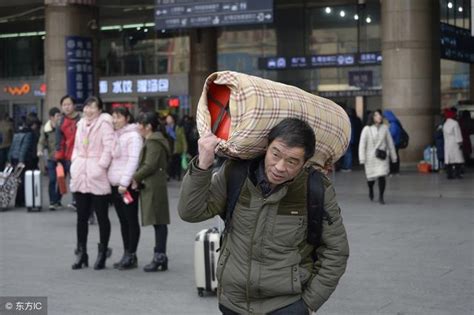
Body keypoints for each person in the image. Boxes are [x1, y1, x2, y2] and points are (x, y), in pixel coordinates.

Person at [178, 118, 349, 314]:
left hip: (285, 305)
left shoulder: (315, 188)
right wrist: (203, 164)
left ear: (304, 163)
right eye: (275, 155)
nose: (279, 167)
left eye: (292, 161)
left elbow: (336, 250)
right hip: (232, 302)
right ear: (266, 147)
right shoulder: (236, 174)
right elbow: (190, 211)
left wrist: (309, 304)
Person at [70, 96, 114, 270]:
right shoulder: (80, 124)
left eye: (93, 107)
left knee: (102, 217)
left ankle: (102, 253)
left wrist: (100, 166)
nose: (88, 110)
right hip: (81, 173)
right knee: (81, 217)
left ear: (100, 110)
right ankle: (82, 253)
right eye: (87, 107)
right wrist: (75, 162)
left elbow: (109, 147)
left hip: (97, 175)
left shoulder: (104, 124)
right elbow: (76, 147)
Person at [132, 112, 171, 272]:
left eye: (140, 123)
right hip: (154, 184)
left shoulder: (154, 142)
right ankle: (160, 256)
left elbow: (150, 165)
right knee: (159, 222)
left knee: (159, 222)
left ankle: (160, 256)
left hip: (154, 186)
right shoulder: (153, 139)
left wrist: (134, 177)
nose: (138, 126)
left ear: (148, 126)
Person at [108, 107, 143, 270]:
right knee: (123, 221)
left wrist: (124, 182)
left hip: (126, 186)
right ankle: (126, 253)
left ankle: (132, 255)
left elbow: (133, 160)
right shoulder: (116, 135)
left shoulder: (134, 136)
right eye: (113, 117)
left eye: (118, 117)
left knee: (130, 220)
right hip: (116, 185)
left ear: (127, 118)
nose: (115, 120)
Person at [358, 110, 397, 204]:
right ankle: (371, 189)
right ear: (372, 117)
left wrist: (393, 156)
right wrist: (362, 158)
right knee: (370, 179)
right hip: (370, 158)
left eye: (379, 115)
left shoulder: (385, 128)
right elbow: (362, 144)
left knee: (382, 176)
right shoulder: (366, 129)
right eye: (376, 115)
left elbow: (390, 143)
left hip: (382, 156)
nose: (379, 117)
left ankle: (381, 196)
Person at [55, 95, 81, 209]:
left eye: (69, 104)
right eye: (64, 105)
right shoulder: (60, 121)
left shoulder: (82, 119)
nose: (66, 107)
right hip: (67, 156)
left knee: (78, 179)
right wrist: (58, 158)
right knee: (70, 179)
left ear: (74, 105)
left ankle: (79, 201)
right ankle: (70, 200)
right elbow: (59, 141)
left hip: (81, 154)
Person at [8, 115, 39, 207]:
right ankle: (21, 201)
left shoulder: (18, 132)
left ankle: (18, 201)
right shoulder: (29, 133)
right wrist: (21, 161)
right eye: (36, 124)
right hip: (22, 160)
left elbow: (13, 146)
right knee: (23, 181)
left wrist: (9, 159)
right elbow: (24, 148)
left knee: (18, 181)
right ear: (33, 124)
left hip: (14, 158)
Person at [37, 107, 62, 210]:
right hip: (51, 158)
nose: (59, 118)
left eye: (60, 116)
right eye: (57, 116)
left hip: (62, 158)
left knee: (61, 180)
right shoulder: (46, 128)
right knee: (52, 179)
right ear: (51, 117)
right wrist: (40, 150)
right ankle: (52, 201)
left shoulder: (62, 126)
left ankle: (58, 200)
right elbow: (41, 141)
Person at [442, 108, 464, 179]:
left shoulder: (445, 124)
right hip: (455, 143)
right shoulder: (455, 123)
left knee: (449, 160)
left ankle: (449, 175)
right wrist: (460, 143)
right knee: (457, 159)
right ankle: (458, 174)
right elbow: (458, 134)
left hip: (447, 143)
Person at [165, 114, 188, 180]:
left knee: (177, 163)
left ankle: (178, 175)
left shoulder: (179, 128)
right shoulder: (165, 128)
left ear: (173, 119)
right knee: (170, 163)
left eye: (169, 118)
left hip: (177, 148)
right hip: (169, 148)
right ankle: (170, 175)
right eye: (167, 118)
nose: (167, 120)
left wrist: (185, 149)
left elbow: (183, 139)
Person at [383, 110, 402, 175]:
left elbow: (392, 133)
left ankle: (393, 170)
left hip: (394, 143)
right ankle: (395, 170)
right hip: (396, 142)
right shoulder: (395, 122)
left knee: (393, 157)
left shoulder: (393, 124)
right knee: (395, 156)